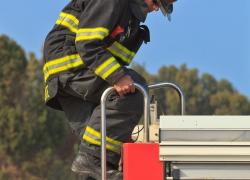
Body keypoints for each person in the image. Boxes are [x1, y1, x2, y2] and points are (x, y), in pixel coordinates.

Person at [43, 0, 177, 179]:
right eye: (156, 2)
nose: (155, 8)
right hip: (71, 65)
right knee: (134, 90)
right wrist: (117, 76)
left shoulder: (130, 18)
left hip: (74, 74)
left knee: (94, 160)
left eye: (162, 7)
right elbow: (87, 43)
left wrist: (123, 140)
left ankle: (100, 163)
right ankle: (95, 159)